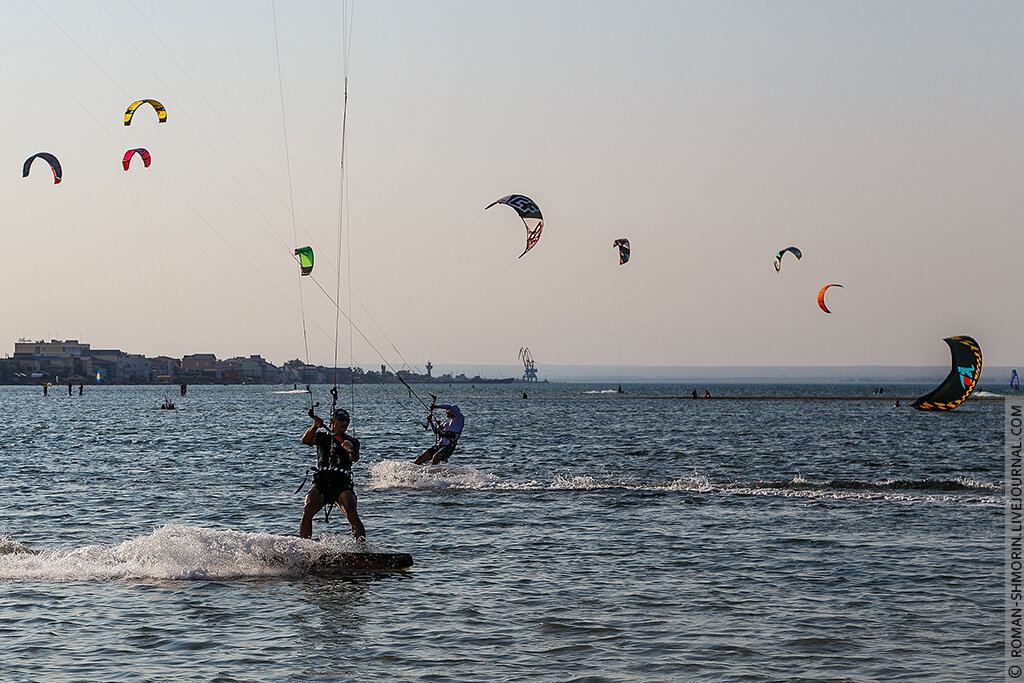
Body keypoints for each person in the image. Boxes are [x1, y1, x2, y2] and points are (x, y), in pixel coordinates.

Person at [300, 407, 365, 540]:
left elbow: (355, 458)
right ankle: (304, 545)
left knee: (352, 512)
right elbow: (306, 440)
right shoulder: (321, 436)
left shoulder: (352, 441)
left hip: (342, 483)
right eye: (341, 419)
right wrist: (314, 426)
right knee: (308, 508)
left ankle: (362, 549)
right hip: (322, 481)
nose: (345, 423)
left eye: (347, 420)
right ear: (332, 421)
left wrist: (351, 450)